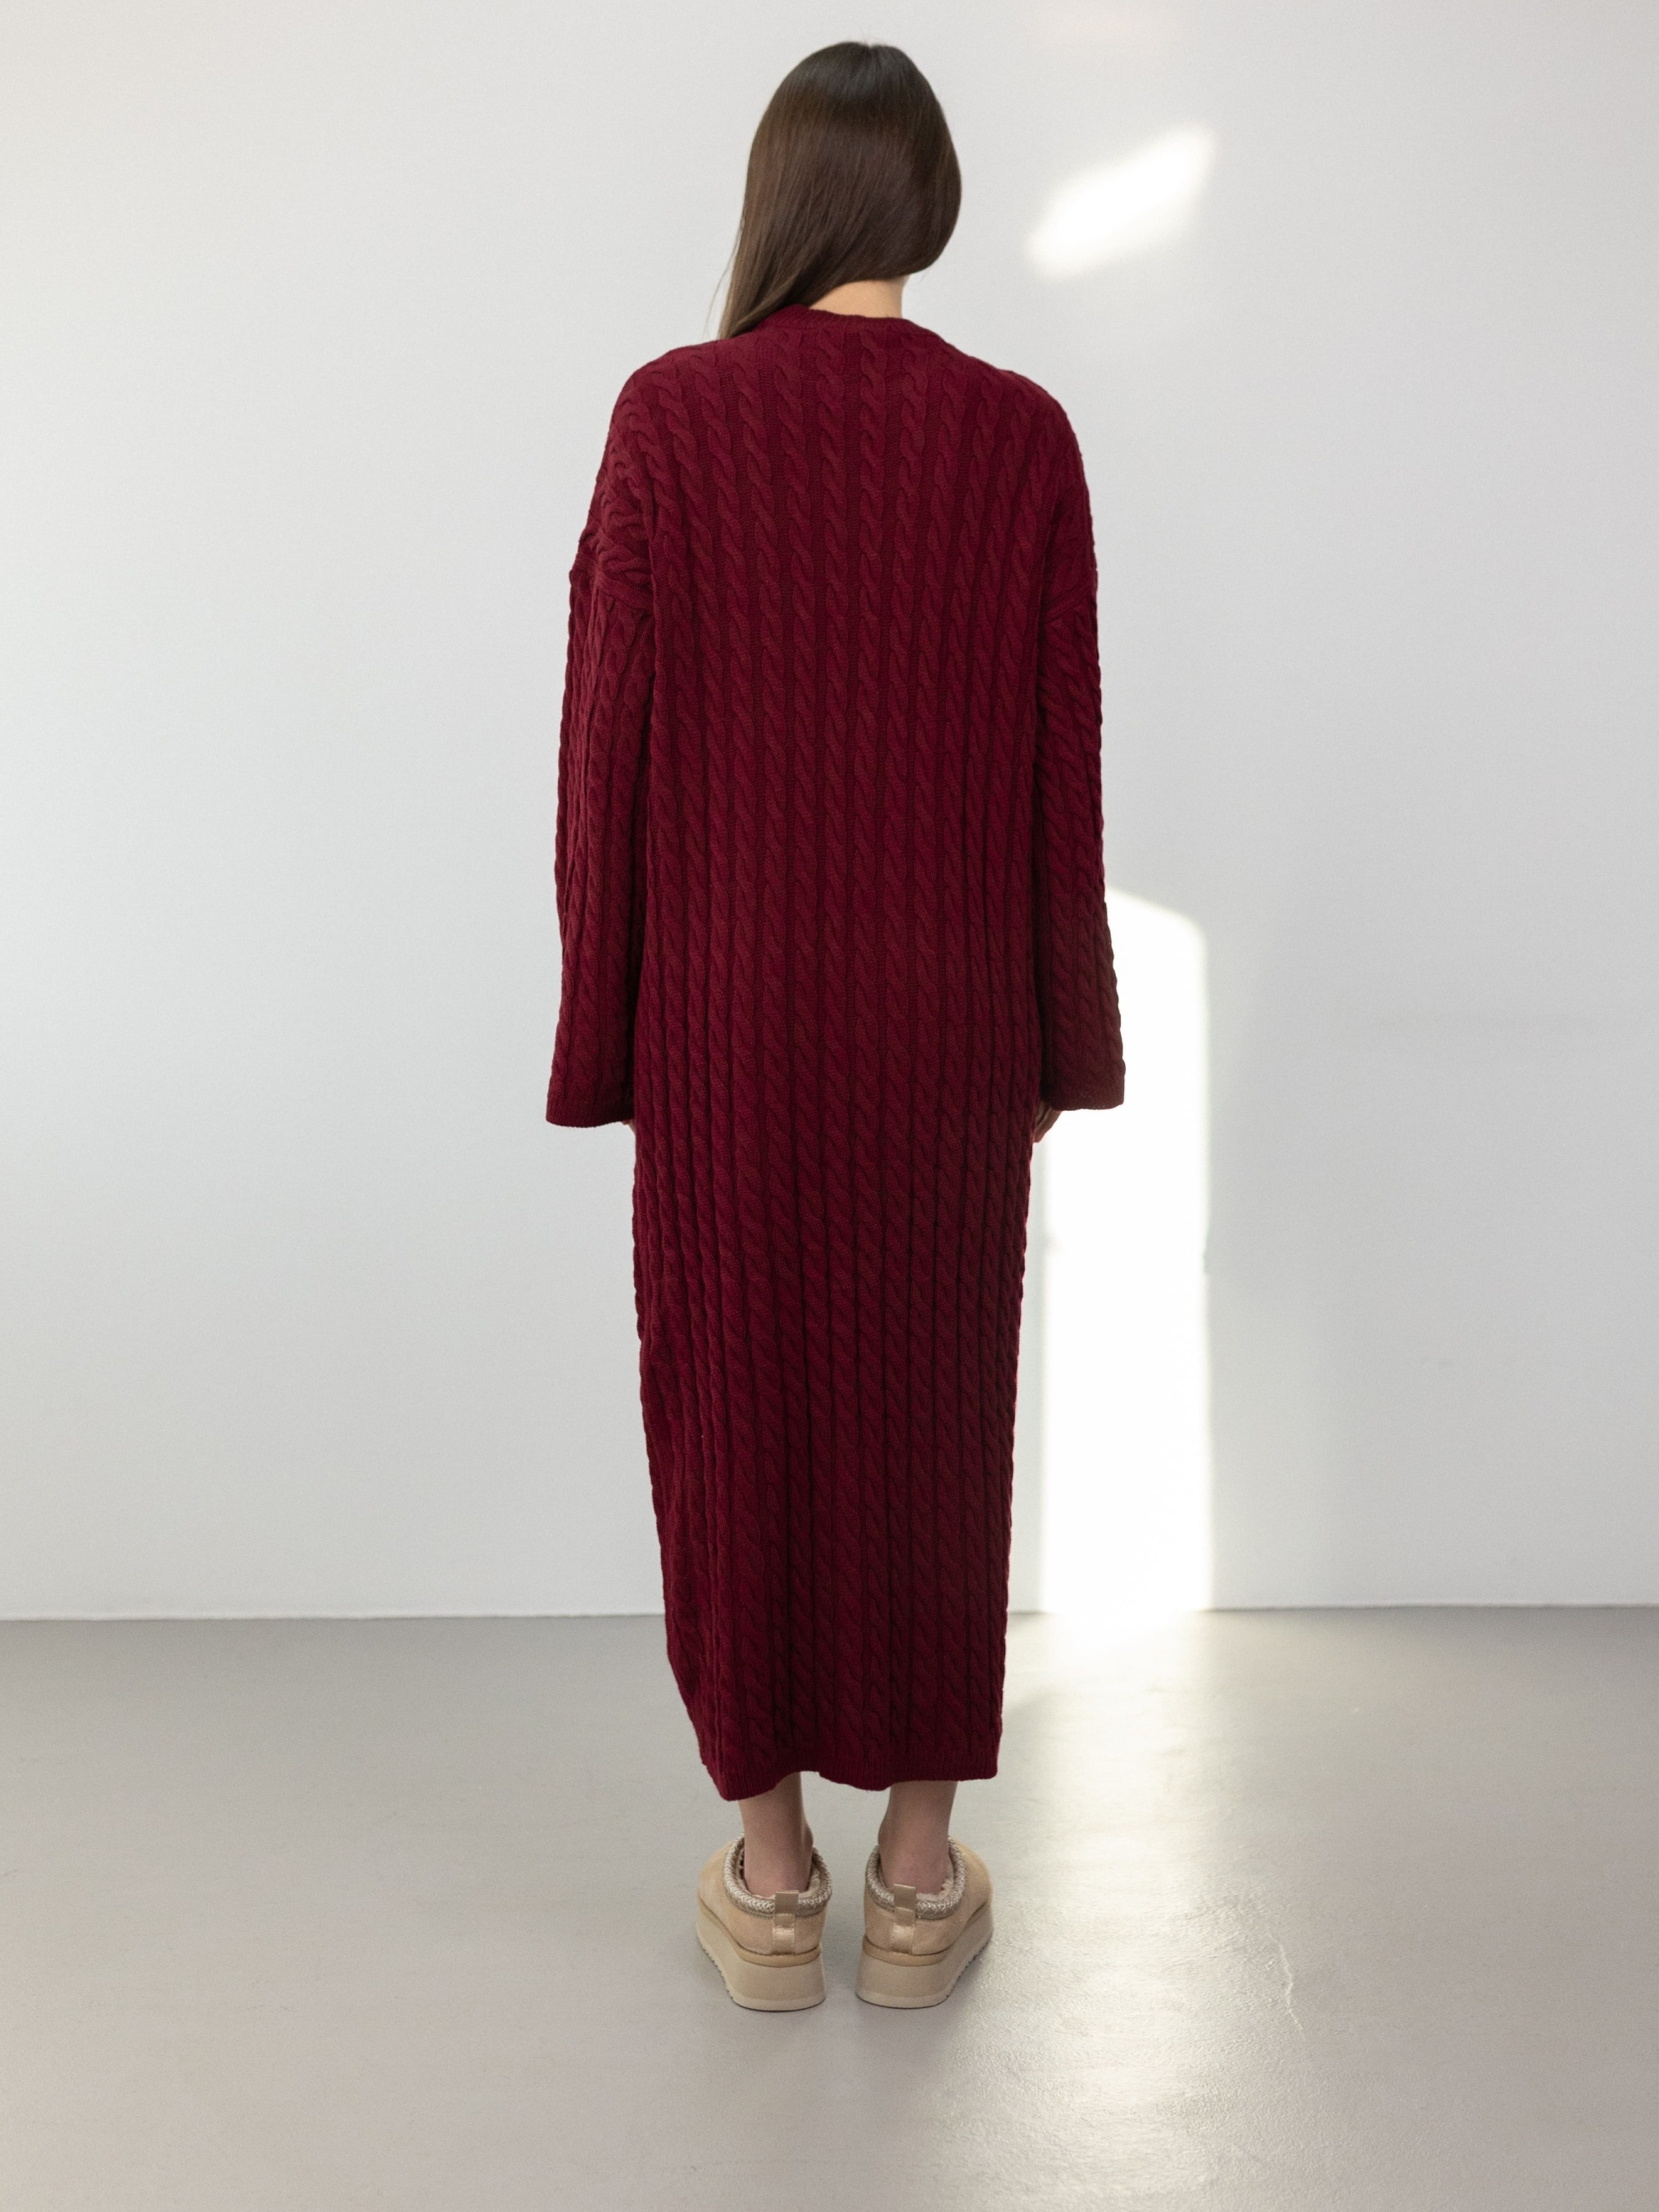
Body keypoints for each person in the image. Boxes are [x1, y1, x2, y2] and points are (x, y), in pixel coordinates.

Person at [546, 40, 1123, 2011]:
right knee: (936, 1432)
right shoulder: (1020, 439)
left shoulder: (668, 417)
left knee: (736, 1424)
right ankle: (918, 1879)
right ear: (928, 202)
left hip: (726, 1025)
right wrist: (1058, 1046)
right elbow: (1060, 772)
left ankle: (774, 1881)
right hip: (948, 1030)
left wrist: (605, 1034)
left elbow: (600, 759)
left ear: (777, 198)